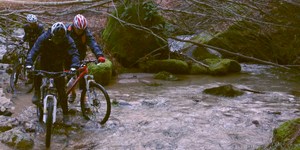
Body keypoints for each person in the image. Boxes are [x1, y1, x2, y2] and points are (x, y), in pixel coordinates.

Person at [26, 22, 80, 126]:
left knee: (61, 90)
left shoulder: (68, 39)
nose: (58, 41)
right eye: (56, 38)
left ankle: (65, 114)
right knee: (37, 71)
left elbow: (74, 53)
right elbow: (34, 50)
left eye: (60, 39)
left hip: (57, 64)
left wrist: (74, 66)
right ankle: (37, 92)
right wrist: (29, 63)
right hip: (44, 62)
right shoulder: (44, 36)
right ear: (52, 34)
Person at [65, 14, 105, 104]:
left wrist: (99, 55)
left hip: (80, 56)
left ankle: (84, 99)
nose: (80, 32)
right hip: (67, 56)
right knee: (70, 77)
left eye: (82, 30)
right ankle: (72, 93)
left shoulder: (85, 33)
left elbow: (93, 43)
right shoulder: (67, 30)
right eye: (78, 29)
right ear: (74, 26)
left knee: (82, 77)